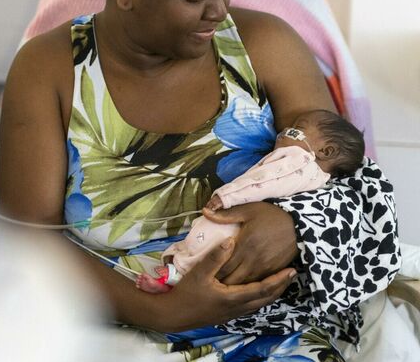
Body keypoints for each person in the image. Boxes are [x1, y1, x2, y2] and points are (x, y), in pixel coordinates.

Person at [0, 0, 396, 362]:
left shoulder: (265, 45)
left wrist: (293, 225)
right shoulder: (49, 71)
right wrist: (163, 311)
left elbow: (344, 177)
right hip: (110, 338)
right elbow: (28, 241)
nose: (220, 9)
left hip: (270, 337)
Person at [136, 110, 365, 293]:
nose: (285, 131)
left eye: (297, 129)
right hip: (255, 243)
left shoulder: (299, 160)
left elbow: (263, 182)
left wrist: (226, 197)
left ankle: (173, 277)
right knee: (212, 262)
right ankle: (174, 279)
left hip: (236, 224)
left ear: (326, 150)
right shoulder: (319, 181)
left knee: (203, 242)